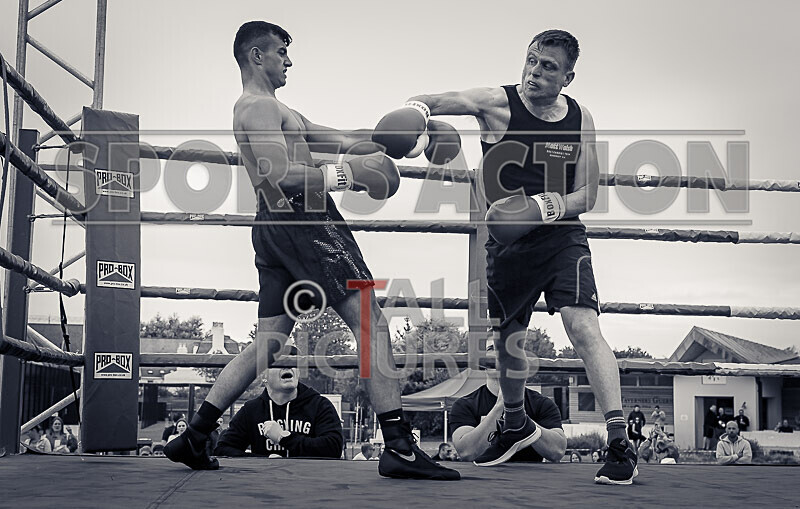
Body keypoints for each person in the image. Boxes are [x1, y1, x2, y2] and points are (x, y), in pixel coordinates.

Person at [163, 20, 459, 481]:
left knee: (268, 343)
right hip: (305, 221)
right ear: (256, 56)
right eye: (281, 51)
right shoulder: (257, 108)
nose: (289, 59)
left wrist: (409, 139)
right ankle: (399, 446)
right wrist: (345, 174)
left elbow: (342, 138)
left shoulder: (281, 112)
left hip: (278, 229)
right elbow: (280, 174)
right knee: (372, 325)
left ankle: (195, 435)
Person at [405, 29, 637, 485]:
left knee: (583, 326)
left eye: (547, 66)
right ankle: (513, 420)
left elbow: (587, 194)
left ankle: (618, 442)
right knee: (509, 344)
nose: (534, 72)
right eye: (531, 60)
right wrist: (414, 124)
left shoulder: (580, 119)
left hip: (560, 238)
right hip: (507, 245)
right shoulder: (496, 103)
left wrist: (544, 206)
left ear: (567, 77)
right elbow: (429, 99)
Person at [449, 348, 566, 464]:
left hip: (530, 480)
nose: (498, 353)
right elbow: (466, 452)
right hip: (482, 479)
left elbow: (557, 452)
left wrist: (519, 416)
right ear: (482, 359)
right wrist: (501, 405)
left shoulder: (542, 403)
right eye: (491, 348)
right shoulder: (465, 404)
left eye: (504, 348)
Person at [213, 356, 343, 458]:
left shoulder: (320, 405)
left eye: (293, 360)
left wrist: (283, 437)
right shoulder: (251, 410)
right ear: (264, 375)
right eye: (279, 360)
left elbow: (334, 448)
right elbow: (223, 449)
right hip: (264, 486)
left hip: (308, 485)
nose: (288, 365)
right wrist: (264, 461)